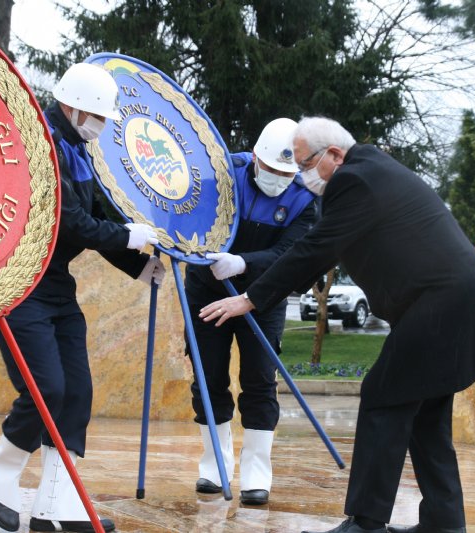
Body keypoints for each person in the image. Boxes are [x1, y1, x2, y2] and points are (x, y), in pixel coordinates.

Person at [199, 116, 475, 533]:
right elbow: (320, 251)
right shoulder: (371, 172)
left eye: (305, 164)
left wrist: (250, 298)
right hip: (457, 302)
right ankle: (444, 524)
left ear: (334, 155)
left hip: (443, 305)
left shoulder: (353, 181)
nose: (301, 175)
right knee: (426, 417)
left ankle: (367, 523)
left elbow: (315, 249)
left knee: (381, 394)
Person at [0, 63, 165, 533]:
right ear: (72, 106)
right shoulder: (39, 144)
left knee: (77, 394)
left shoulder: (78, 150)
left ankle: (56, 506)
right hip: (18, 284)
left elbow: (97, 217)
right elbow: (68, 221)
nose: (100, 125)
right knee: (46, 390)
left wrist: (143, 265)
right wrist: (128, 236)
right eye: (96, 115)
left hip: (57, 285)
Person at [185, 118, 316, 505]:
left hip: (264, 296)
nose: (277, 179)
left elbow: (290, 255)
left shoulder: (306, 197)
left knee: (259, 380)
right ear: (255, 157)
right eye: (271, 170)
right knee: (208, 377)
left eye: (285, 174)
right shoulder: (223, 172)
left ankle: (257, 470)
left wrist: (242, 263)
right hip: (207, 289)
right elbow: (190, 214)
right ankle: (215, 464)